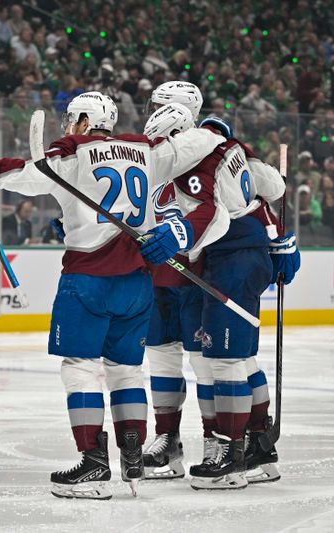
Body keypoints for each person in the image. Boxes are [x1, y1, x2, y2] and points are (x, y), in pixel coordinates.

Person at [0, 91, 225, 499]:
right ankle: (132, 449)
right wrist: (216, 130)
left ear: (80, 119)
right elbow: (189, 145)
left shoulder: (73, 150)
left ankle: (93, 464)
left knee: (80, 367)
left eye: (70, 119)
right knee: (126, 369)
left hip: (88, 280)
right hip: (137, 283)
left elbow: (27, 173)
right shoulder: (144, 149)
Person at [140, 106, 299, 490]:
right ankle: (256, 447)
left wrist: (180, 238)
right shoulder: (231, 150)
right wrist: (275, 235)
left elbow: (214, 215)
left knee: (224, 360)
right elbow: (272, 189)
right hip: (227, 258)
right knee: (233, 358)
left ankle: (232, 452)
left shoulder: (200, 162)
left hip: (228, 259)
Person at [137, 84, 215, 481]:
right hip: (156, 274)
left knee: (205, 362)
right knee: (162, 357)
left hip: (195, 274)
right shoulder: (152, 150)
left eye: (159, 106)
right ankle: (167, 441)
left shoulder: (207, 153)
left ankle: (215, 439)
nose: (153, 111)